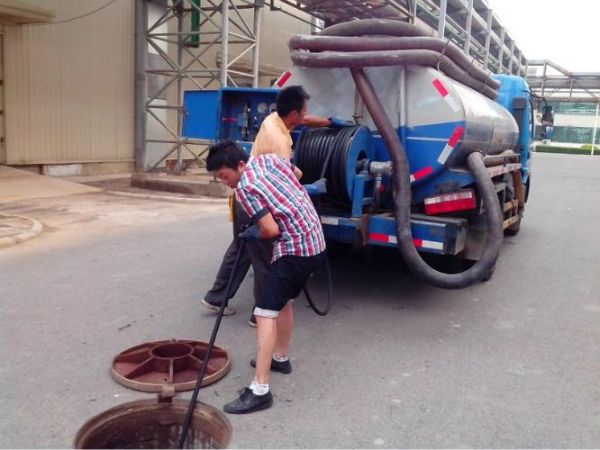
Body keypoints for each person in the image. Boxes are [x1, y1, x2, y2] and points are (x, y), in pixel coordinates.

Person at [201, 86, 345, 326]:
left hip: (247, 194)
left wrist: (328, 122)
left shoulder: (275, 118)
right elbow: (285, 180)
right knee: (266, 257)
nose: (305, 116)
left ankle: (217, 298)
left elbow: (305, 120)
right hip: (256, 201)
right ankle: (262, 312)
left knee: (242, 248)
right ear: (294, 114)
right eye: (303, 112)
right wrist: (310, 188)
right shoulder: (277, 140)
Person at [206, 140, 326, 414]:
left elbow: (270, 230)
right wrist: (280, 202)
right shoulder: (267, 160)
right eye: (219, 179)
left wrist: (254, 231)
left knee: (263, 312)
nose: (227, 184)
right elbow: (296, 176)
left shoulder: (246, 189)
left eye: (225, 176)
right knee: (284, 302)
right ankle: (280, 358)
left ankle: (260, 389)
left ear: (239, 165)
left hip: (295, 250)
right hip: (316, 242)